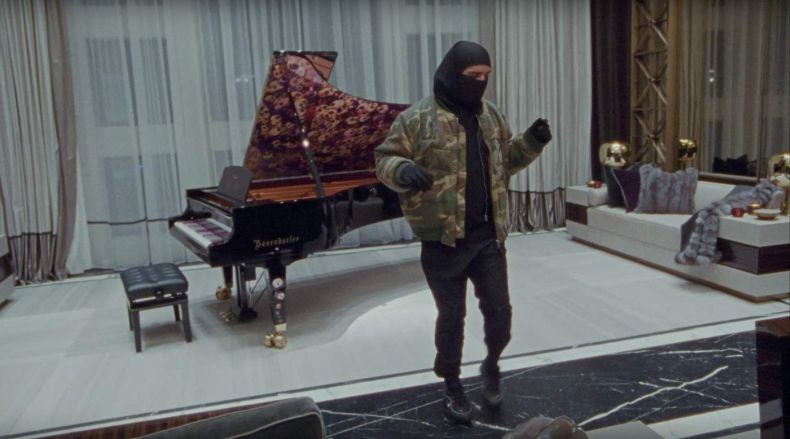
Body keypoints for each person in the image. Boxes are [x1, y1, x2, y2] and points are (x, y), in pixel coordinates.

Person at [375, 41, 552, 424]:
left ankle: (492, 364)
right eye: (473, 76)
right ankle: (452, 383)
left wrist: (532, 142)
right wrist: (402, 170)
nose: (481, 82)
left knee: (500, 312)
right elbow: (385, 159)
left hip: (488, 237)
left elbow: (506, 163)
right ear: (453, 74)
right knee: (452, 319)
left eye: (486, 76)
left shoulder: (491, 115)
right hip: (443, 240)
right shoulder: (416, 119)